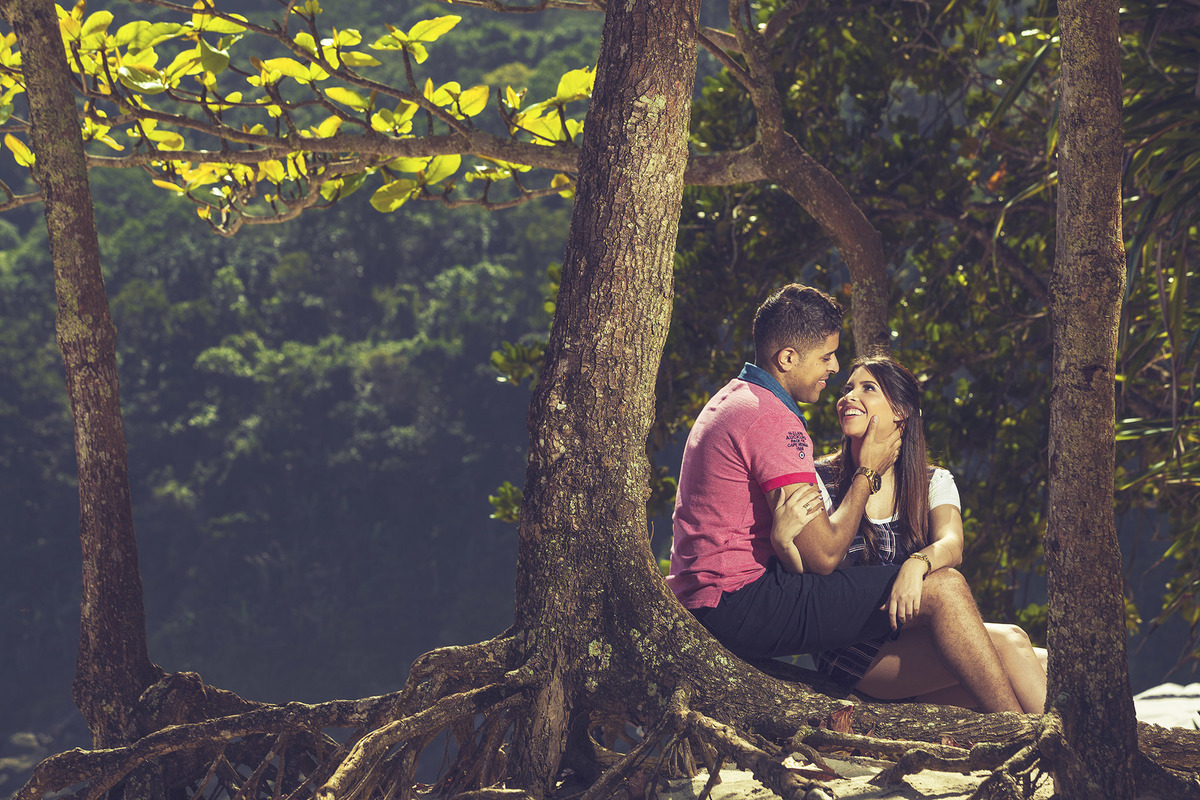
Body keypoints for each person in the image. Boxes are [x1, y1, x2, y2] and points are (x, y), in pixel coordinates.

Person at [667, 284, 1025, 713]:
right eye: (826, 357)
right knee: (945, 588)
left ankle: (1031, 730)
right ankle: (1019, 730)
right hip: (735, 602)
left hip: (716, 597)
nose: (834, 369)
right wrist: (867, 473)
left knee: (1013, 645)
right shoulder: (772, 419)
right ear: (787, 358)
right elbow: (823, 557)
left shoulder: (736, 400)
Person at [814, 356, 1047, 713]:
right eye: (847, 388)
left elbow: (952, 544)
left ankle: (1052, 740)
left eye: (867, 388)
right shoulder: (819, 478)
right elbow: (820, 558)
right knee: (1011, 640)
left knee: (1041, 659)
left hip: (912, 644)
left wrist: (917, 563)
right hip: (855, 652)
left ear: (901, 412)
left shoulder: (932, 480)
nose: (848, 397)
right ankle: (1029, 735)